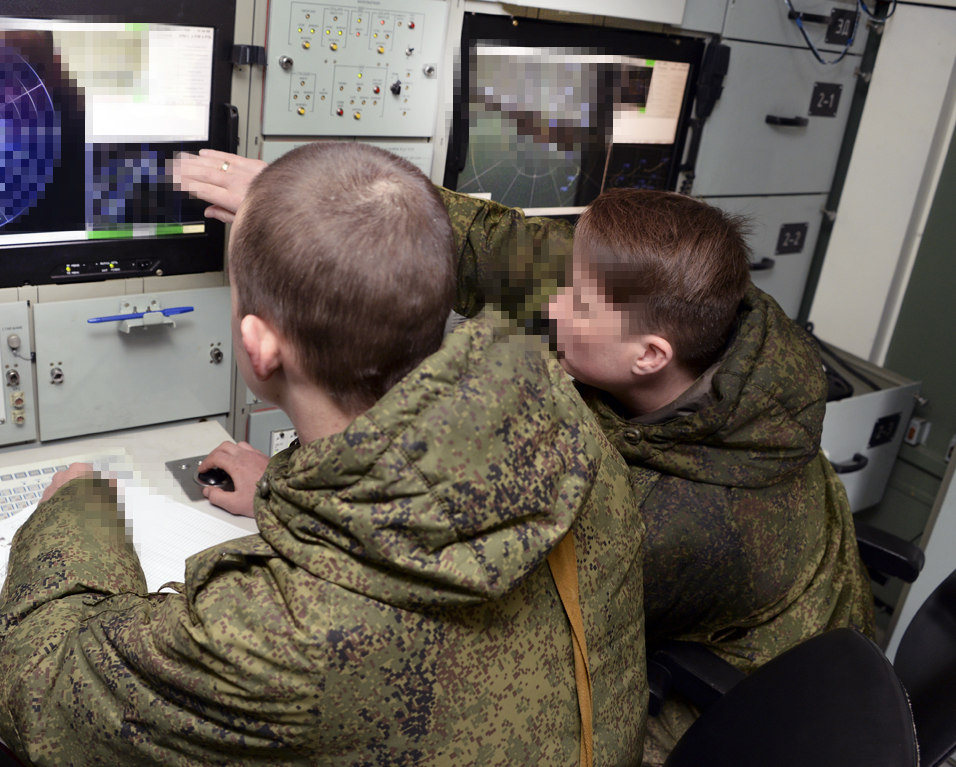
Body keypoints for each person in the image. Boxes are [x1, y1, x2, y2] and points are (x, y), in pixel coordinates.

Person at [174, 150, 875, 765]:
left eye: (579, 304)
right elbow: (511, 249)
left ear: (649, 356)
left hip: (735, 720)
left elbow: (444, 576)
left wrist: (280, 489)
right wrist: (331, 208)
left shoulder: (684, 519)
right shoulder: (697, 302)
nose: (551, 306)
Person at [0, 142, 648, 766]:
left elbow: (39, 683)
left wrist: (77, 514)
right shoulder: (575, 437)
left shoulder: (276, 638)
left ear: (259, 347)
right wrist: (286, 488)